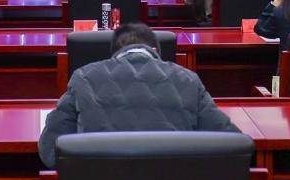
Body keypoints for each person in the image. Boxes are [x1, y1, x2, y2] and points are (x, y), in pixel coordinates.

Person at [37, 24, 240, 167]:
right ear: (155, 50)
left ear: (114, 53)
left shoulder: (83, 77)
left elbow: (50, 150)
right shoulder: (188, 79)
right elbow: (232, 144)